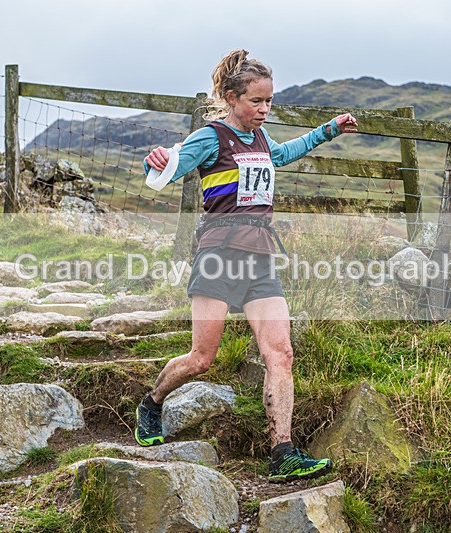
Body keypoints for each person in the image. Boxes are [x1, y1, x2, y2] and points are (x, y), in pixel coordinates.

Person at [135, 49, 358, 483]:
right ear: (232, 97)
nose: (265, 110)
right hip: (218, 257)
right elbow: (173, 163)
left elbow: (284, 153)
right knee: (202, 358)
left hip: (260, 260)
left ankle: (282, 455)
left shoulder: (260, 139)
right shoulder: (211, 136)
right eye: (257, 102)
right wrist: (155, 160)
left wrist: (329, 130)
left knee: (281, 352)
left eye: (269, 101)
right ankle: (153, 402)